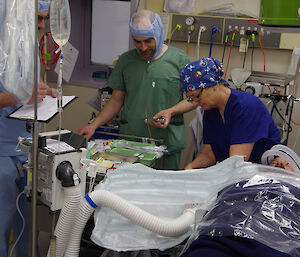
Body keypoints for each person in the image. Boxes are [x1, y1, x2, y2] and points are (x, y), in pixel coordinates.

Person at [78, 10, 191, 170]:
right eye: (138, 42)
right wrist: (93, 125)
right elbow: (116, 100)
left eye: (148, 41)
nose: (143, 47)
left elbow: (193, 99)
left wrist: (171, 112)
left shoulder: (180, 60)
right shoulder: (126, 61)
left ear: (159, 34)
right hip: (130, 145)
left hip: (167, 143)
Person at [0, 1, 56, 256]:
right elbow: (20, 94)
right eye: (37, 17)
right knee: (1, 222)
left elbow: (32, 85)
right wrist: (21, 97)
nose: (41, 25)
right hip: (2, 151)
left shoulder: (30, 44)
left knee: (29, 222)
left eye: (45, 19)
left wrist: (45, 92)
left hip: (28, 147)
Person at [155, 57, 281, 169]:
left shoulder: (245, 107)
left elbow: (236, 162)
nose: (196, 103)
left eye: (197, 96)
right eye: (191, 99)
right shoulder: (211, 109)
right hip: (238, 173)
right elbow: (209, 154)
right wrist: (191, 167)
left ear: (213, 84)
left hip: (265, 173)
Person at [181, 145, 300, 257]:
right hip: (222, 237)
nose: (279, 164)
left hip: (274, 245)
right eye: (274, 163)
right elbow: (220, 203)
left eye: (287, 163)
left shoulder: (296, 191)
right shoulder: (243, 183)